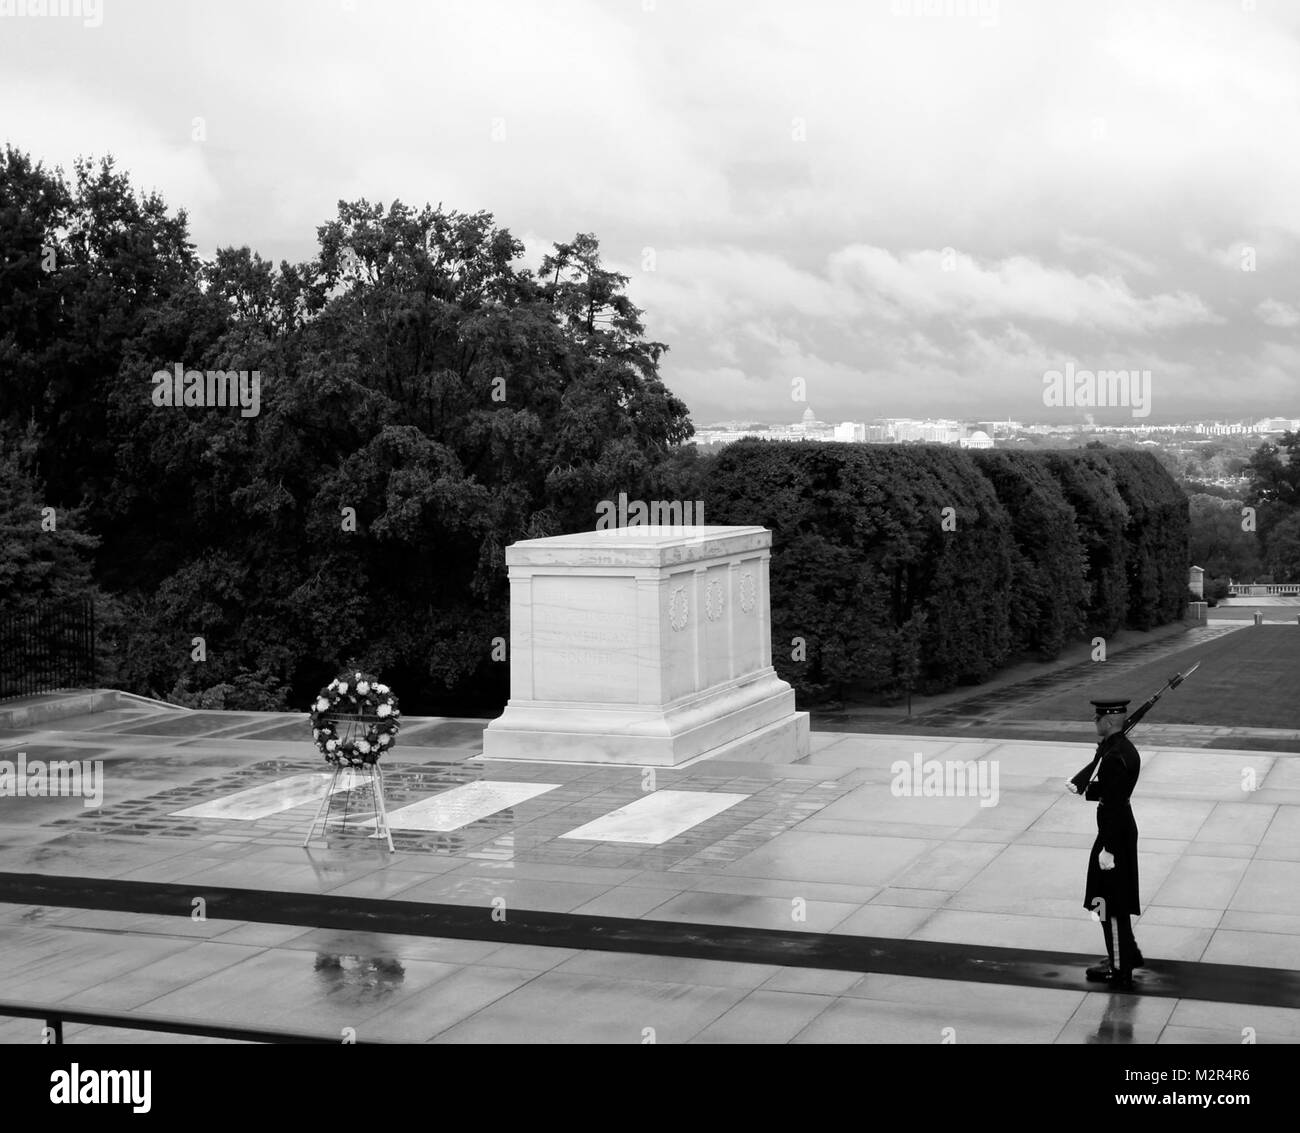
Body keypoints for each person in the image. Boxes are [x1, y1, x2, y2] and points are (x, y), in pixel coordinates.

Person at [1067, 698, 1144, 989]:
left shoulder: (1114, 756)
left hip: (1114, 832)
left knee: (1109, 903)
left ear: (1108, 722)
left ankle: (1119, 967)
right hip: (1120, 827)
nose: (1094, 721)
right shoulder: (1119, 749)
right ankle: (1127, 953)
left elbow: (1111, 802)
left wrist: (1108, 848)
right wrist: (1084, 785)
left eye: (1097, 718)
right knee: (1111, 897)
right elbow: (1111, 791)